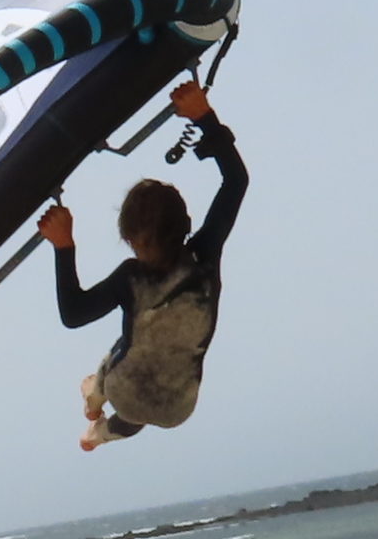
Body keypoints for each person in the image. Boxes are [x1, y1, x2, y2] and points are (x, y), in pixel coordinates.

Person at [38, 81, 247, 452]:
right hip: (179, 407)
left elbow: (73, 314)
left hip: (126, 388)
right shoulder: (206, 251)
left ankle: (95, 393)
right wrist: (204, 117)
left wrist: (63, 245)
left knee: (127, 352)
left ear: (130, 240)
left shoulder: (130, 278)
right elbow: (236, 180)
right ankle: (100, 431)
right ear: (185, 225)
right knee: (150, 381)